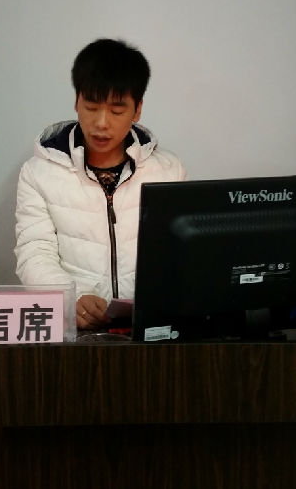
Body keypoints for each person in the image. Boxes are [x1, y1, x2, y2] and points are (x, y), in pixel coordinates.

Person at [14, 38, 186, 329]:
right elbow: (34, 252)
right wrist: (71, 299)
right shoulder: (38, 173)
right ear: (76, 102)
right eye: (91, 107)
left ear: (137, 109)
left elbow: (178, 256)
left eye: (117, 111)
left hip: (148, 325)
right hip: (76, 328)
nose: (102, 123)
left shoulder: (168, 171)